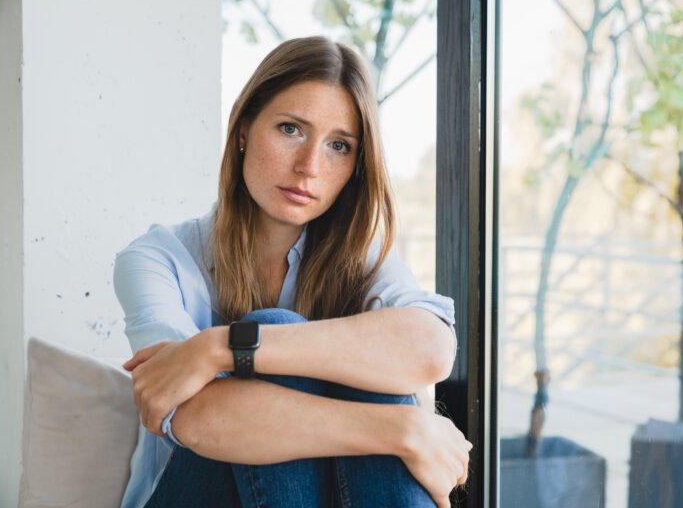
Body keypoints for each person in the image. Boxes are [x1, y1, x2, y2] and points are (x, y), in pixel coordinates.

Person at [113, 36, 471, 508]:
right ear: (243, 128)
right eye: (290, 129)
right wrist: (401, 429)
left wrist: (218, 349)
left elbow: (429, 350)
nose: (309, 167)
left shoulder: (356, 260)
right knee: (279, 330)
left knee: (338, 352)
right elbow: (198, 419)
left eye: (339, 146)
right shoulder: (158, 259)